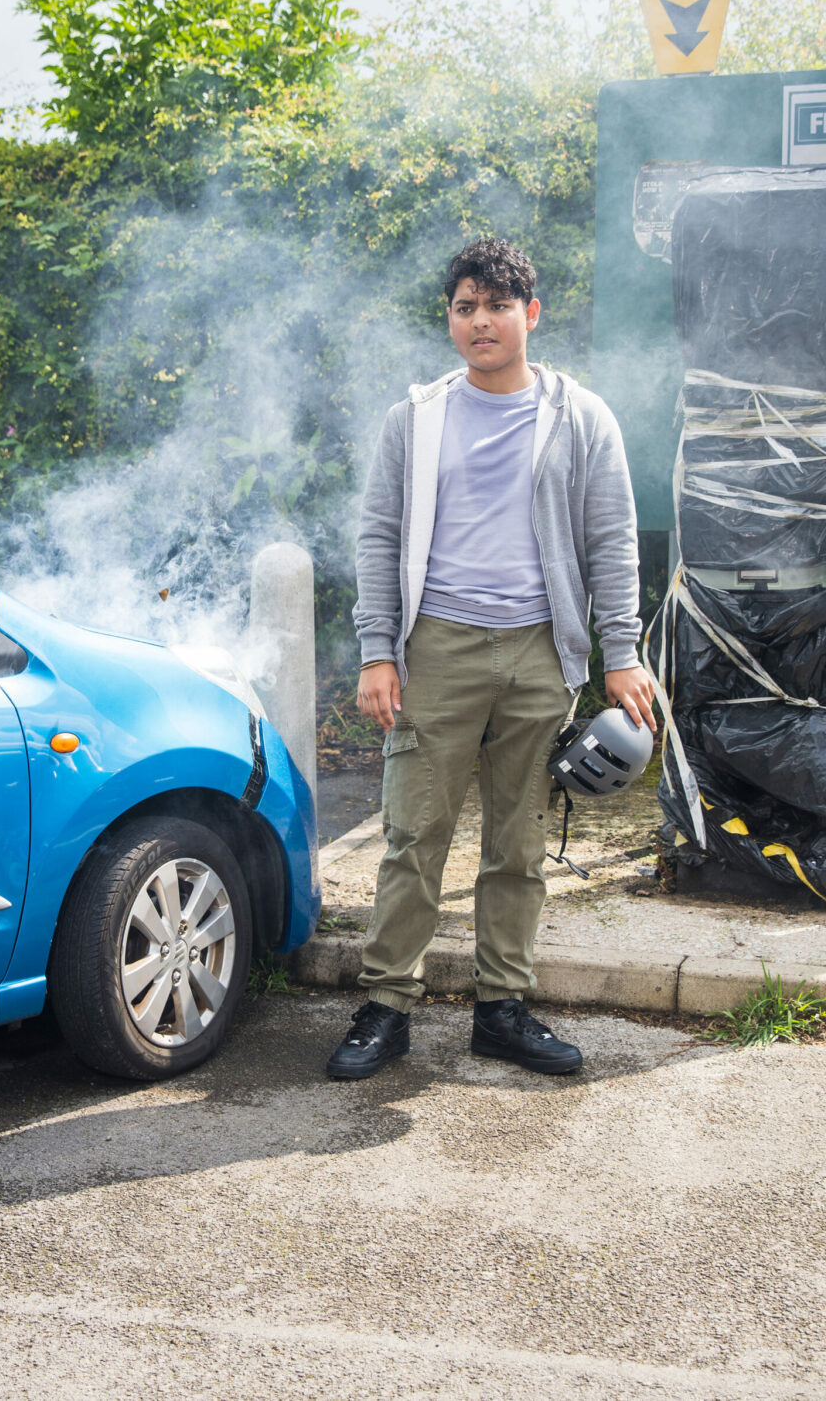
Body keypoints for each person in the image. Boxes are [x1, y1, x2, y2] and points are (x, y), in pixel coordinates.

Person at [327, 237, 658, 1080]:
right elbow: (378, 536)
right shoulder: (418, 417)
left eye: (498, 306)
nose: (481, 321)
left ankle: (502, 1008)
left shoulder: (581, 417)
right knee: (415, 833)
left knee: (517, 841)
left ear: (531, 314)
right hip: (435, 648)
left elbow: (613, 540)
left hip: (541, 653)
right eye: (465, 307)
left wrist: (620, 653)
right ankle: (385, 1006)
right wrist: (377, 652)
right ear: (451, 319)